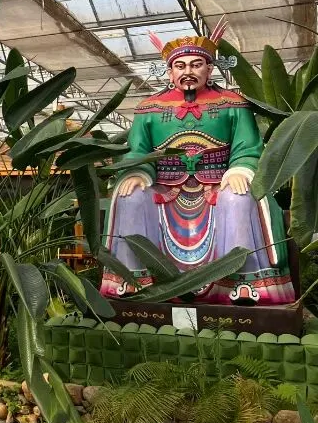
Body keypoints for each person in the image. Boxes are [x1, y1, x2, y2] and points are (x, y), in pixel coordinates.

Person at [100, 21, 294, 305]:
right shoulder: (149, 108)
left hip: (218, 184)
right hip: (164, 187)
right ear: (170, 72)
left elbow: (248, 147)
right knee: (131, 198)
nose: (187, 71)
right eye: (180, 66)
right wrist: (138, 173)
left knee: (238, 198)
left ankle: (241, 284)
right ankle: (133, 280)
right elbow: (137, 151)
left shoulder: (233, 103)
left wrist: (239, 170)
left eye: (196, 64)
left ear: (209, 68)